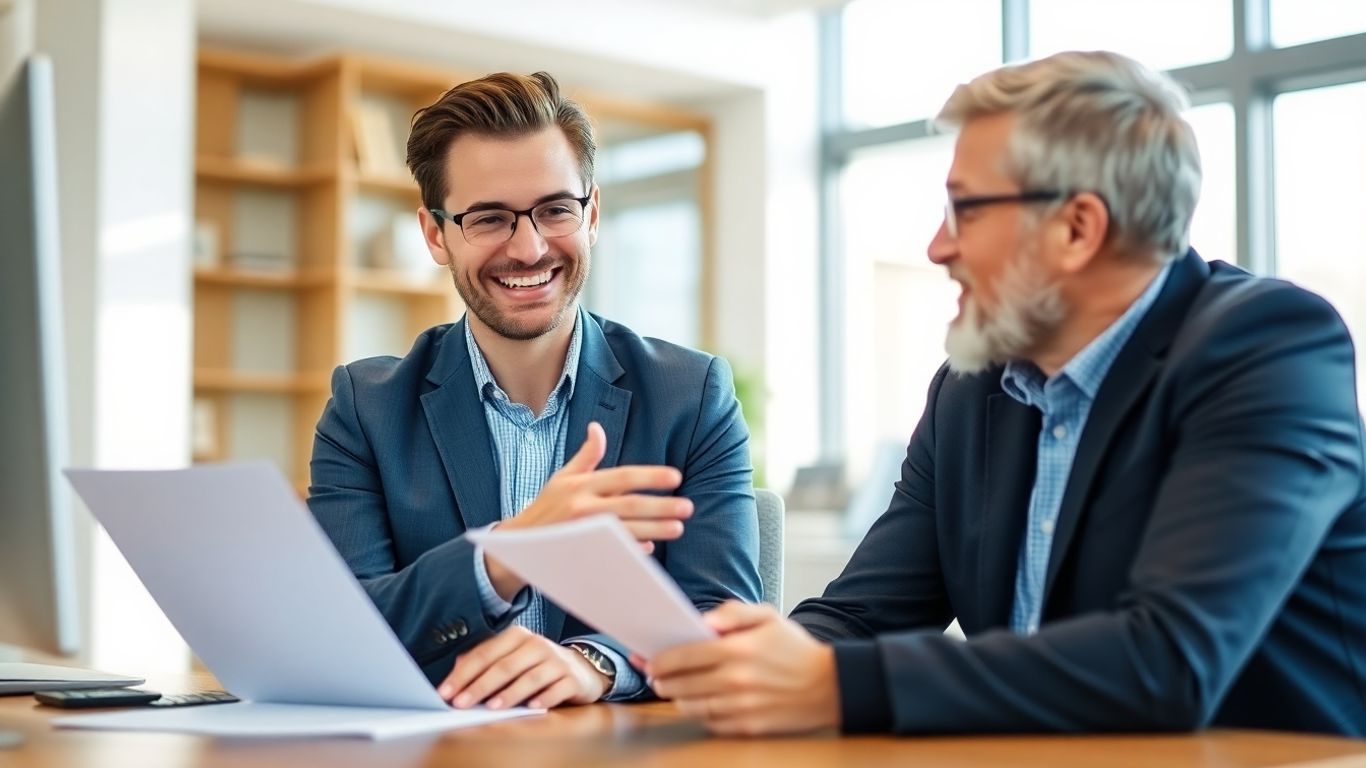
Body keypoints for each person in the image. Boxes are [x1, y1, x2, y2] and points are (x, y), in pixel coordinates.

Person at [645, 51, 1366, 736]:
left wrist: (833, 683)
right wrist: (725, 659)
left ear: (1078, 227)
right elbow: (862, 619)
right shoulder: (972, 389)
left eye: (966, 209)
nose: (937, 246)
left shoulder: (1268, 349)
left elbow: (1168, 660)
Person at [308, 71, 761, 712]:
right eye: (489, 218)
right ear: (436, 234)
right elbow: (339, 629)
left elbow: (724, 619)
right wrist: (504, 558)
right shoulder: (366, 408)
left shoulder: (691, 396)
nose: (529, 247)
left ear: (593, 213)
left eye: (555, 210)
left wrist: (595, 664)